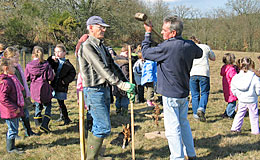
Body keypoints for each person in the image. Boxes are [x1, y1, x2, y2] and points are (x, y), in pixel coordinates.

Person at [141, 16, 202, 160]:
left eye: (164, 30)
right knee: (184, 124)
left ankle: (177, 157)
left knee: (172, 128)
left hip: (170, 94)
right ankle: (191, 154)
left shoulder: (166, 47)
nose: (161, 33)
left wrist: (148, 34)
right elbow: (199, 53)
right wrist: (182, 42)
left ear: (173, 33)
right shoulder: (189, 45)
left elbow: (145, 53)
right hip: (183, 93)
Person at [77, 16, 135, 159]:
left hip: (104, 89)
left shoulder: (101, 45)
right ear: (90, 28)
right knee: (103, 127)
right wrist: (120, 84)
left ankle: (95, 156)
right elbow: (101, 69)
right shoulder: (88, 46)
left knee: (98, 125)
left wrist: (126, 83)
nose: (104, 30)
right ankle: (91, 158)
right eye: (100, 27)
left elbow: (112, 66)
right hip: (93, 90)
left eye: (104, 27)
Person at [3, 47, 36, 136]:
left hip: (22, 95)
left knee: (26, 114)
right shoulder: (8, 70)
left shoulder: (17, 67)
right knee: (16, 117)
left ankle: (28, 131)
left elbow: (22, 81)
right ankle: (14, 137)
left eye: (18, 56)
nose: (18, 59)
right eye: (15, 57)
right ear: (9, 57)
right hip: (15, 97)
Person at [25, 46, 54, 133]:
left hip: (34, 88)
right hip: (44, 87)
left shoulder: (29, 65)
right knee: (48, 105)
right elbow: (50, 77)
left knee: (37, 105)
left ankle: (38, 123)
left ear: (33, 54)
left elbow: (26, 77)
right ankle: (45, 124)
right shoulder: (46, 65)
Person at [47, 44, 76, 125]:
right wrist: (50, 58)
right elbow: (47, 64)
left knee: (61, 103)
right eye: (56, 52)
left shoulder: (68, 64)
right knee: (51, 101)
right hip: (53, 85)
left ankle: (66, 118)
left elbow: (72, 74)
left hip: (61, 86)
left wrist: (65, 81)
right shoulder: (54, 61)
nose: (57, 53)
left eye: (59, 51)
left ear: (64, 52)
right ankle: (61, 116)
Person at [0, 58, 24, 154]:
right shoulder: (5, 82)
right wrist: (14, 108)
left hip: (13, 110)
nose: (14, 68)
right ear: (6, 68)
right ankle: (10, 148)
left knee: (14, 128)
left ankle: (13, 146)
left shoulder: (10, 79)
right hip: (10, 111)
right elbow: (3, 98)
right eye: (12, 66)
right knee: (12, 129)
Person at [230, 57, 260, 135]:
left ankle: (235, 128)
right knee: (254, 115)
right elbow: (258, 89)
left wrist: (238, 95)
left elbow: (233, 87)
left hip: (242, 99)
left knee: (239, 114)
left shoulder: (236, 77)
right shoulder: (255, 77)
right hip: (252, 100)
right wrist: (257, 94)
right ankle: (255, 130)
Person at [189, 36, 216, 122]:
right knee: (204, 92)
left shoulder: (189, 49)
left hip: (192, 73)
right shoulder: (205, 47)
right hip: (204, 73)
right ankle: (201, 108)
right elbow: (213, 58)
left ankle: (195, 115)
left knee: (194, 94)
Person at [220, 53, 238, 119]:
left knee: (231, 101)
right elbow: (235, 78)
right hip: (231, 88)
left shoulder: (224, 68)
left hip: (226, 87)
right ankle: (229, 114)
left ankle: (227, 112)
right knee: (232, 101)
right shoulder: (231, 69)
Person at [113, 49, 130, 116]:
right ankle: (124, 111)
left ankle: (118, 110)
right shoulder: (125, 64)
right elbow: (126, 75)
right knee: (125, 98)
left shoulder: (115, 61)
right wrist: (128, 82)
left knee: (118, 98)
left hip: (116, 83)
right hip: (123, 84)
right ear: (126, 52)